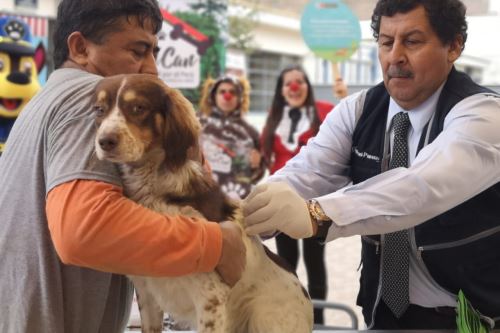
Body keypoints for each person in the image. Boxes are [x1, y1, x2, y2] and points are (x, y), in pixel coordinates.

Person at [243, 0, 500, 329]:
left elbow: (420, 187)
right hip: (383, 311)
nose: (395, 57)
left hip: (472, 318)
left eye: (412, 41)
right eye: (385, 42)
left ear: (453, 47)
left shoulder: (482, 115)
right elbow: (308, 171)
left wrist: (317, 214)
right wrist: (243, 215)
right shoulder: (358, 110)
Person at [0, 1, 246, 332]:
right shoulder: (92, 98)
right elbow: (84, 232)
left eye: (154, 52)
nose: (151, 69)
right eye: (138, 51)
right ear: (80, 47)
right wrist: (216, 243)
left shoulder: (45, 99)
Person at [261, 64, 339, 324]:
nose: (294, 87)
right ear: (281, 90)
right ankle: (291, 318)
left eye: (299, 82)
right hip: (282, 202)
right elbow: (262, 154)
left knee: (315, 263)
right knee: (285, 264)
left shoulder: (325, 111)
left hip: (315, 204)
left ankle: (318, 320)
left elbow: (345, 130)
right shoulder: (274, 116)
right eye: (288, 83)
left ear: (307, 85)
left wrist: (342, 97)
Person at [198, 75, 265, 200]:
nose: (227, 96)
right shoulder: (197, 123)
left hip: (236, 199)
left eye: (232, 92)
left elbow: (257, 175)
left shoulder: (250, 132)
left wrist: (257, 165)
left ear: (239, 98)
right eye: (222, 92)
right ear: (213, 96)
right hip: (201, 197)